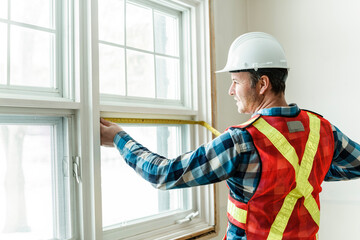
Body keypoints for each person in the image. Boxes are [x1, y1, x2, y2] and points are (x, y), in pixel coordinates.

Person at [100, 32, 360, 240]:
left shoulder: (241, 142)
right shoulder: (322, 129)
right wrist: (308, 172)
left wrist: (119, 139)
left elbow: (163, 174)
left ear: (262, 84)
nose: (230, 90)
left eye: (236, 81)